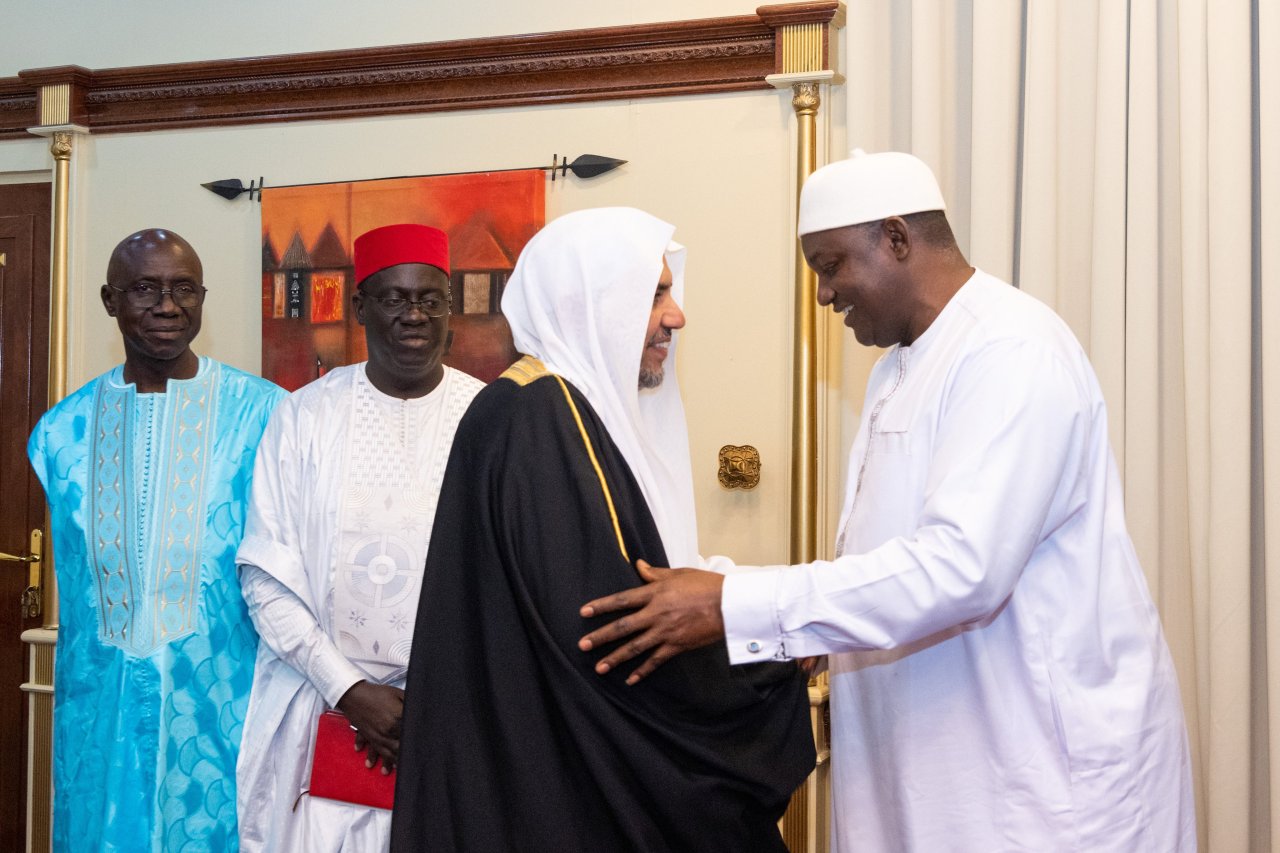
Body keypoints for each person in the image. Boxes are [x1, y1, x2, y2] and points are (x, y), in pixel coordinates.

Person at [578, 153, 1197, 850]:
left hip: (1037, 778)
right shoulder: (899, 365)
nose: (823, 294)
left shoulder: (1012, 350)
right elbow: (889, 554)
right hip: (931, 764)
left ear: (897, 238)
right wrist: (807, 629)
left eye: (830, 265)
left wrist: (735, 603)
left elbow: (962, 567)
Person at [389, 207, 815, 853]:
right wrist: (768, 648)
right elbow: (610, 629)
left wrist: (750, 608)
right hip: (558, 787)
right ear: (589, 301)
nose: (676, 316)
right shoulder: (539, 416)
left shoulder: (559, 409)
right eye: (655, 295)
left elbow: (641, 579)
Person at [27, 229, 285, 852]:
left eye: (183, 289)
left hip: (226, 704)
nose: (167, 306)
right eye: (145, 289)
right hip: (100, 706)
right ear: (109, 300)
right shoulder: (60, 433)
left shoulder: (267, 415)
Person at [234, 224, 484, 852]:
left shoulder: (489, 418)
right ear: (360, 307)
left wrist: (439, 694)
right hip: (324, 708)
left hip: (457, 714)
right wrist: (349, 689)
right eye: (395, 299)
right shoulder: (304, 417)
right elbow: (266, 577)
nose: (414, 316)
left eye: (430, 299)